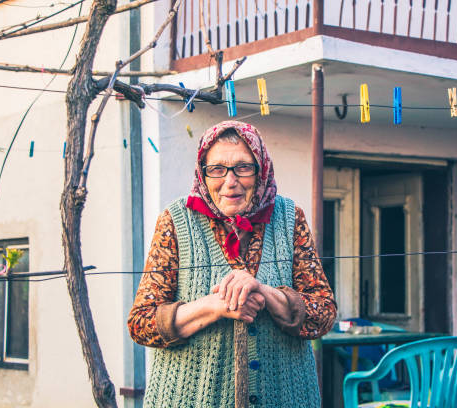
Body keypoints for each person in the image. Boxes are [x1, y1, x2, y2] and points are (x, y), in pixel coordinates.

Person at [128, 120, 337, 407]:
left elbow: (323, 313)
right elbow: (142, 323)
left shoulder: (290, 217)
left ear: (260, 169)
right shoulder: (175, 220)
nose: (230, 181)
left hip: (286, 398)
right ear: (203, 172)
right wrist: (217, 306)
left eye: (243, 167)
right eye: (216, 169)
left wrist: (264, 293)